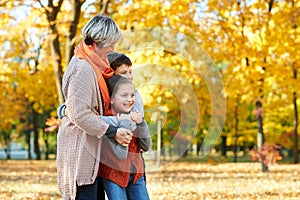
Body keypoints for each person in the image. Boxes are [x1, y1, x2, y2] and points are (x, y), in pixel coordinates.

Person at [56, 15, 133, 200]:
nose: (113, 49)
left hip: (93, 153)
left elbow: (74, 107)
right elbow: (80, 113)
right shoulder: (81, 68)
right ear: (100, 41)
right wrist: (112, 130)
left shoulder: (94, 66)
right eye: (111, 44)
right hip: (80, 153)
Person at [98, 75, 151, 200]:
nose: (130, 100)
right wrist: (123, 123)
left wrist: (141, 123)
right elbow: (121, 154)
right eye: (124, 95)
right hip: (114, 175)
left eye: (132, 95)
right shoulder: (107, 120)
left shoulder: (135, 115)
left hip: (136, 174)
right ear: (111, 99)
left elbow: (146, 146)